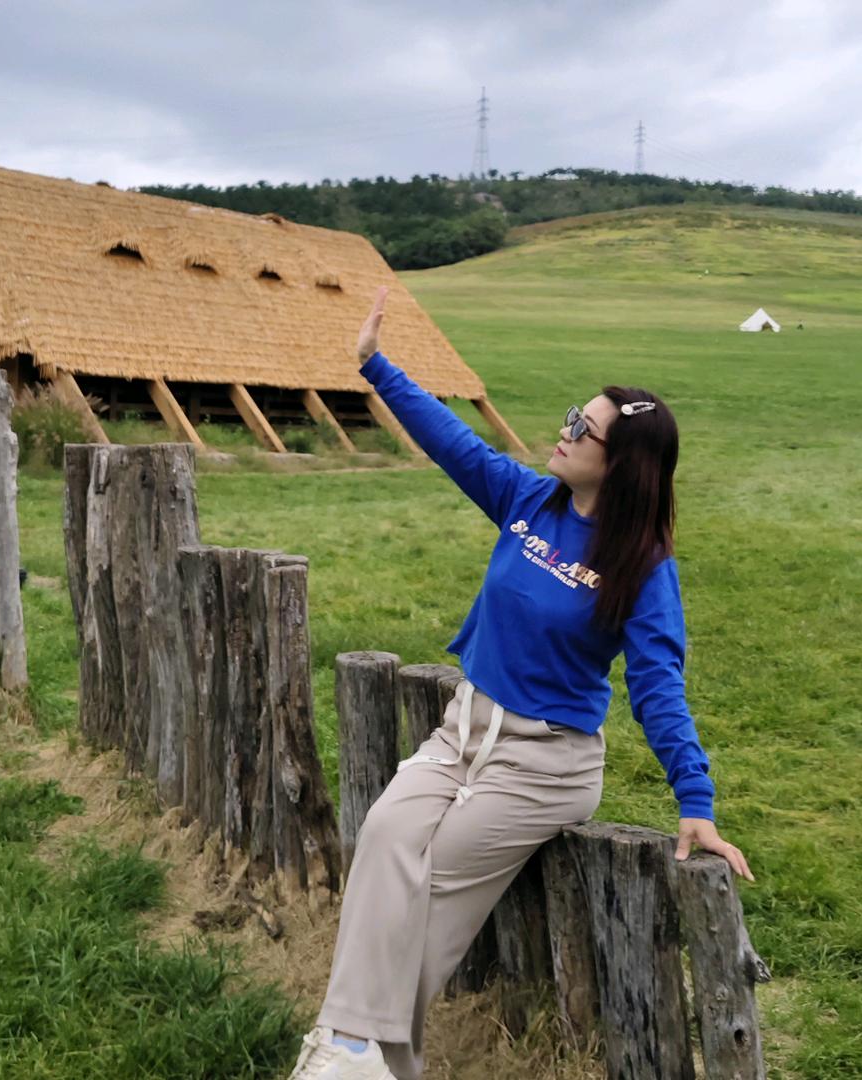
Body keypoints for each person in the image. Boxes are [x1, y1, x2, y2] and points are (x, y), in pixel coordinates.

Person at [287, 288, 754, 1080]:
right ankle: (365, 1053)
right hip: (461, 733)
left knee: (430, 887)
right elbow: (452, 442)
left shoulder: (643, 567)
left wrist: (696, 800)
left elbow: (658, 686)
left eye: (584, 427)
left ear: (623, 462)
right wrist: (375, 366)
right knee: (386, 838)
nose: (565, 430)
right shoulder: (529, 498)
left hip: (544, 767)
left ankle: (349, 1057)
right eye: (574, 414)